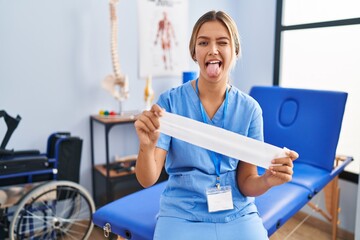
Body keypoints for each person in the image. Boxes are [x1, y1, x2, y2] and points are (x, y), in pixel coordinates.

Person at [134, 10, 299, 240]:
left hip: (236, 211)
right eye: (203, 43)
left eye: (222, 42)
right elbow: (147, 179)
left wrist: (269, 180)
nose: (212, 50)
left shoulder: (250, 110)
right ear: (194, 52)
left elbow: (246, 182)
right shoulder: (170, 103)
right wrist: (146, 146)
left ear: (235, 51)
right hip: (181, 213)